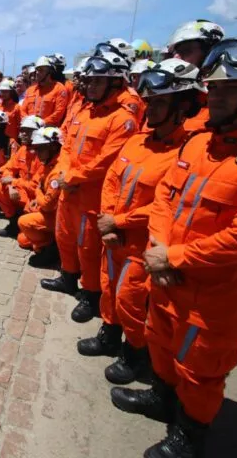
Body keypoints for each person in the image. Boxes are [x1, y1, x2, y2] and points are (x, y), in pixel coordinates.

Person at [111, 36, 237, 458]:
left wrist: (173, 256)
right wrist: (160, 246)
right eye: (215, 88)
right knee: (161, 344)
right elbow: (166, 196)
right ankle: (161, 399)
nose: (217, 98)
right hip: (164, 272)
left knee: (201, 370)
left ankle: (190, 434)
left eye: (231, 89)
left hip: (216, 294)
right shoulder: (199, 142)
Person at [77, 59, 204, 387]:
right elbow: (112, 180)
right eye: (151, 101)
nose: (150, 108)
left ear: (183, 107)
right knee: (109, 288)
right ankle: (108, 335)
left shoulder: (186, 150)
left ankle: (134, 356)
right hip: (113, 235)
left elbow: (168, 204)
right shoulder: (138, 141)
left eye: (160, 102)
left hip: (141, 242)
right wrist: (107, 221)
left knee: (131, 300)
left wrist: (118, 221)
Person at [44, 50, 138, 323]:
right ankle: (68, 277)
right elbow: (66, 147)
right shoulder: (84, 111)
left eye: (98, 81)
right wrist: (63, 174)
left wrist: (71, 178)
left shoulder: (122, 119)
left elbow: (106, 160)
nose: (90, 86)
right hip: (68, 190)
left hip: (92, 196)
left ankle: (91, 294)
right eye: (90, 81)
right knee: (64, 236)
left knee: (89, 247)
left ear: (116, 83)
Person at [16, 127, 63, 266]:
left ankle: (49, 250)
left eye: (40, 149)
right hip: (50, 211)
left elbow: (47, 204)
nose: (36, 153)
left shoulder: (56, 170)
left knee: (24, 222)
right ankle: (48, 242)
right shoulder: (49, 164)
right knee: (23, 240)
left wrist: (38, 193)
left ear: (53, 147)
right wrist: (38, 196)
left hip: (58, 216)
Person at [0, 115, 45, 237]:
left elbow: (35, 186)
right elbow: (9, 168)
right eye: (23, 130)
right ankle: (13, 223)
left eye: (28, 131)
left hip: (36, 198)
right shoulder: (23, 149)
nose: (23, 134)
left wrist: (14, 182)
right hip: (23, 190)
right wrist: (11, 185)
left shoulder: (44, 154)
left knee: (24, 240)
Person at [21, 57, 68, 126]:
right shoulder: (30, 90)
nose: (37, 73)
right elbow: (23, 110)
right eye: (36, 70)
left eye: (41, 70)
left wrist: (41, 123)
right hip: (29, 128)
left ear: (49, 73)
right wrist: (29, 122)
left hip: (47, 131)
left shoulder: (59, 89)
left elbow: (59, 112)